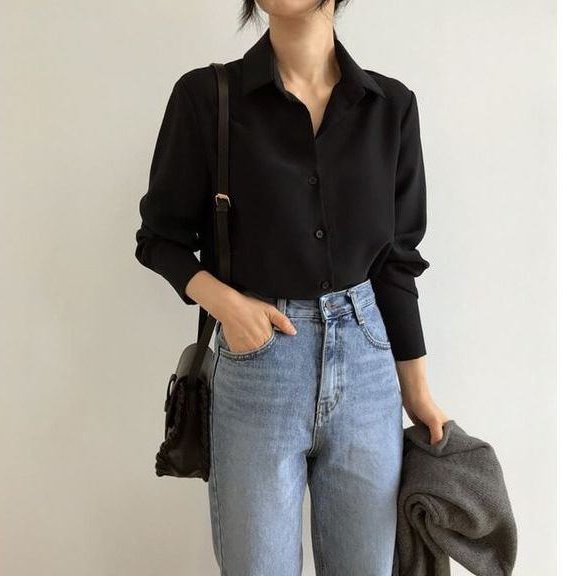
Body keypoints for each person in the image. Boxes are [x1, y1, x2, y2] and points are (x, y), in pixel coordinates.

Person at [135, 1, 449, 574]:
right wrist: (228, 304)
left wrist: (418, 392)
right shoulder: (208, 97)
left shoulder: (391, 106)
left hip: (368, 367)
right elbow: (159, 239)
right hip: (259, 363)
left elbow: (396, 264)